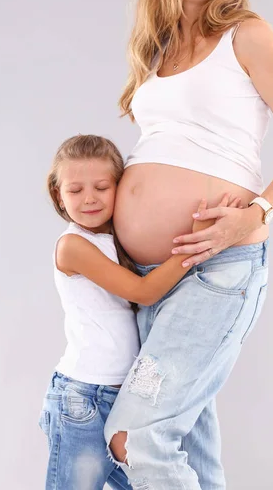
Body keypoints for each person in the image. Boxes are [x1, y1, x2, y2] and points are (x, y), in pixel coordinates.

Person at [103, 0, 273, 490]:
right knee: (188, 446)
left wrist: (258, 212)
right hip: (144, 275)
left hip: (214, 269)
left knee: (136, 440)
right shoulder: (157, 45)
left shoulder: (246, 35)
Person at [39, 133, 240, 490]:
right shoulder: (73, 246)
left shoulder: (116, 240)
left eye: (102, 187)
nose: (89, 199)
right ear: (58, 194)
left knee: (152, 480)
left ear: (121, 188)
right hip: (82, 399)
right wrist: (194, 245)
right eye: (75, 190)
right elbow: (144, 292)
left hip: (125, 399)